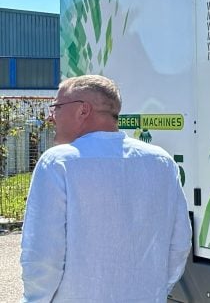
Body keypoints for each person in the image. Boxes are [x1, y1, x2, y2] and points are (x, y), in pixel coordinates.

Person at [21, 75, 191, 302]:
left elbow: (42, 255)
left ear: (83, 110)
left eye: (57, 107)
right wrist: (155, 291)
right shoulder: (162, 162)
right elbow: (179, 243)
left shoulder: (58, 163)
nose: (51, 116)